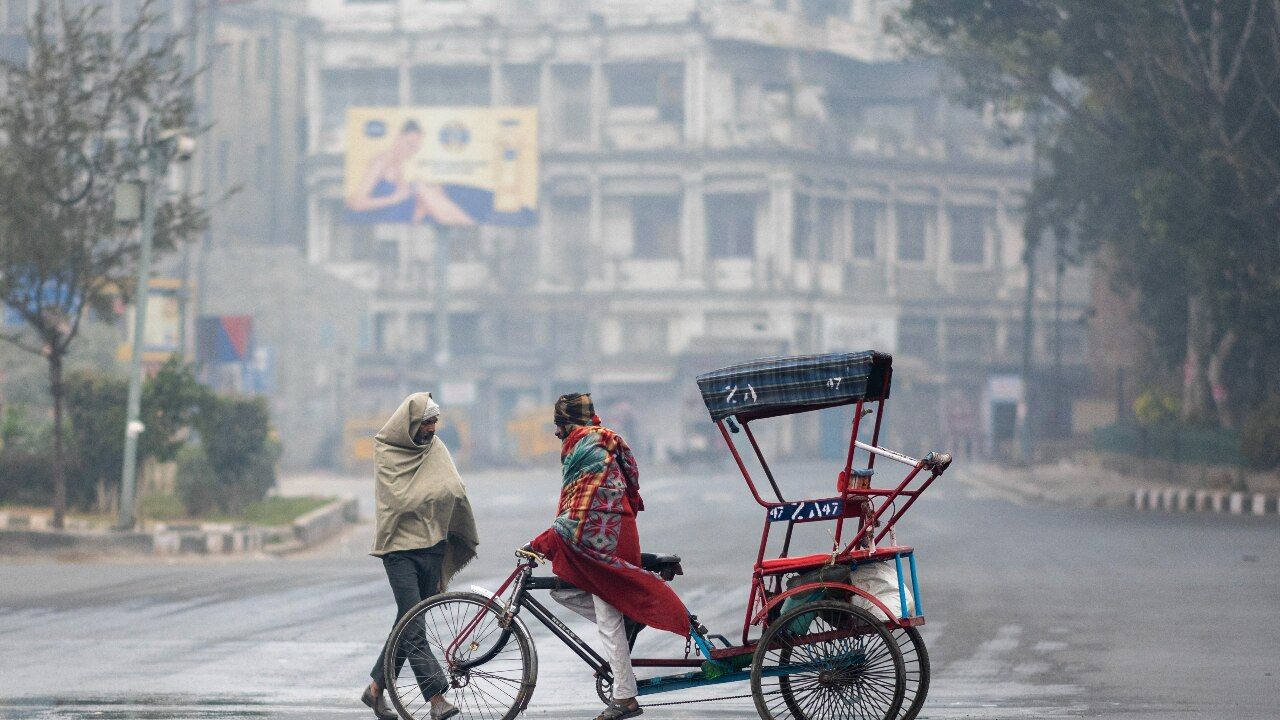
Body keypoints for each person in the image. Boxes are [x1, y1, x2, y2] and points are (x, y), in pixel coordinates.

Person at [529, 393, 689, 720]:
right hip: (614, 532)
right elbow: (582, 504)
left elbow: (579, 512)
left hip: (606, 541)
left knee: (607, 618)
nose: (557, 432)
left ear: (569, 423)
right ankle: (630, 616)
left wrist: (544, 540)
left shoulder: (586, 448)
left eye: (559, 425)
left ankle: (625, 697)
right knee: (563, 588)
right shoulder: (601, 441)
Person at [362, 392, 479, 720]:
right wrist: (435, 491)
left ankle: (375, 689)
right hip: (399, 550)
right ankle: (436, 698)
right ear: (411, 422)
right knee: (413, 624)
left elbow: (454, 488)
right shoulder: (387, 449)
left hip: (432, 547)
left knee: (407, 621)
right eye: (426, 422)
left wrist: (439, 493)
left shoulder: (436, 448)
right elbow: (400, 500)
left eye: (434, 422)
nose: (431, 428)